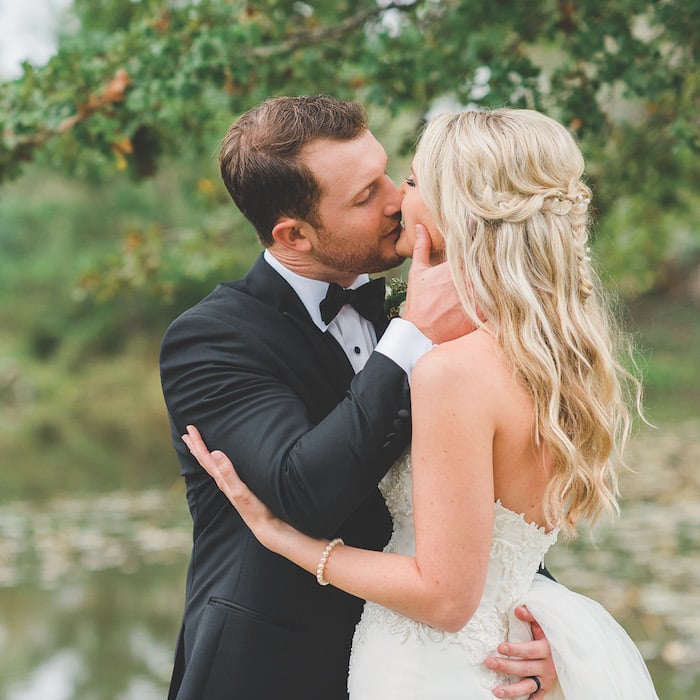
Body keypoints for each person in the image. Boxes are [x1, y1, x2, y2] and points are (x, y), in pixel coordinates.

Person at [181, 108, 660, 699]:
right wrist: (405, 338)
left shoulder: (455, 325)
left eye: (394, 176)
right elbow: (304, 495)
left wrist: (540, 628)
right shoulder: (213, 338)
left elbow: (487, 512)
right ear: (293, 234)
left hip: (430, 663)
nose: (393, 200)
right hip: (276, 672)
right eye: (365, 196)